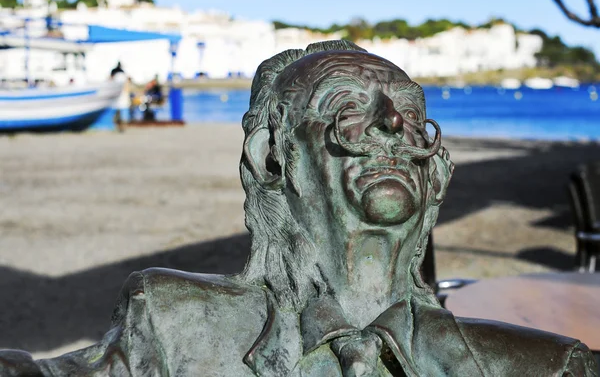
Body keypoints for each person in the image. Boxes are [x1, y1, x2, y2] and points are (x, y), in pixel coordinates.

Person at [0, 41, 597, 376]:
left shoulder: (547, 368)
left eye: (410, 114)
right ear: (271, 159)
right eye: (346, 104)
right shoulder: (171, 327)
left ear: (436, 174)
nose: (393, 124)